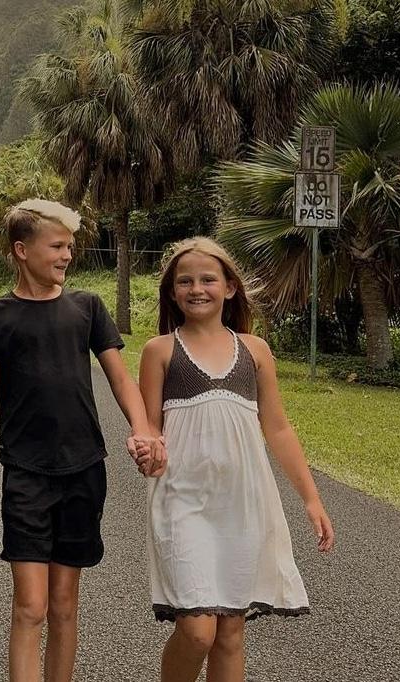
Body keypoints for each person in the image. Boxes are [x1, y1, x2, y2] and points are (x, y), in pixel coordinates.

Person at [0, 199, 165, 682]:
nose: (66, 255)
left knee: (63, 604)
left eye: (70, 246)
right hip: (26, 472)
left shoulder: (87, 307)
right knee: (30, 607)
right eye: (57, 245)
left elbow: (121, 380)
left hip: (84, 469)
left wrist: (141, 426)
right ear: (22, 250)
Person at [137, 237, 336, 682]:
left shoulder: (256, 350)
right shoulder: (160, 351)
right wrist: (147, 447)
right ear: (172, 293)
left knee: (230, 631)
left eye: (208, 279)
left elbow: (278, 428)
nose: (196, 288)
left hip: (243, 504)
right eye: (184, 281)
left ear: (230, 287)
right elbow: (149, 425)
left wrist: (311, 499)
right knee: (197, 631)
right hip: (182, 501)